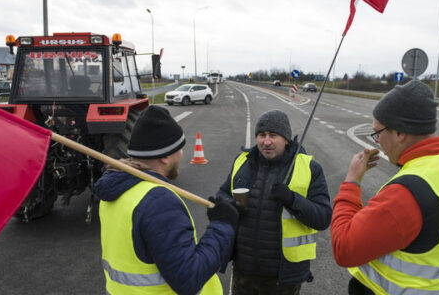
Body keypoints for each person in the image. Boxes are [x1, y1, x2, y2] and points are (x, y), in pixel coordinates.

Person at [330, 80, 439, 294]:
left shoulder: (407, 193)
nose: (377, 142)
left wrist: (351, 181)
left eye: (378, 133)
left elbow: (344, 249)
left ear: (401, 133)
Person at [94, 106, 240, 295]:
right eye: (178, 149)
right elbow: (189, 279)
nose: (181, 155)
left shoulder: (115, 189)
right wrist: (222, 225)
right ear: (164, 156)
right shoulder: (158, 201)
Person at [215, 109, 332, 294]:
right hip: (242, 271)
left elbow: (323, 217)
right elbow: (222, 193)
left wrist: (292, 199)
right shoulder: (242, 162)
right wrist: (229, 204)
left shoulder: (310, 168)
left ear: (286, 139)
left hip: (283, 278)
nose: (266, 141)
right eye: (261, 135)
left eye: (273, 135)